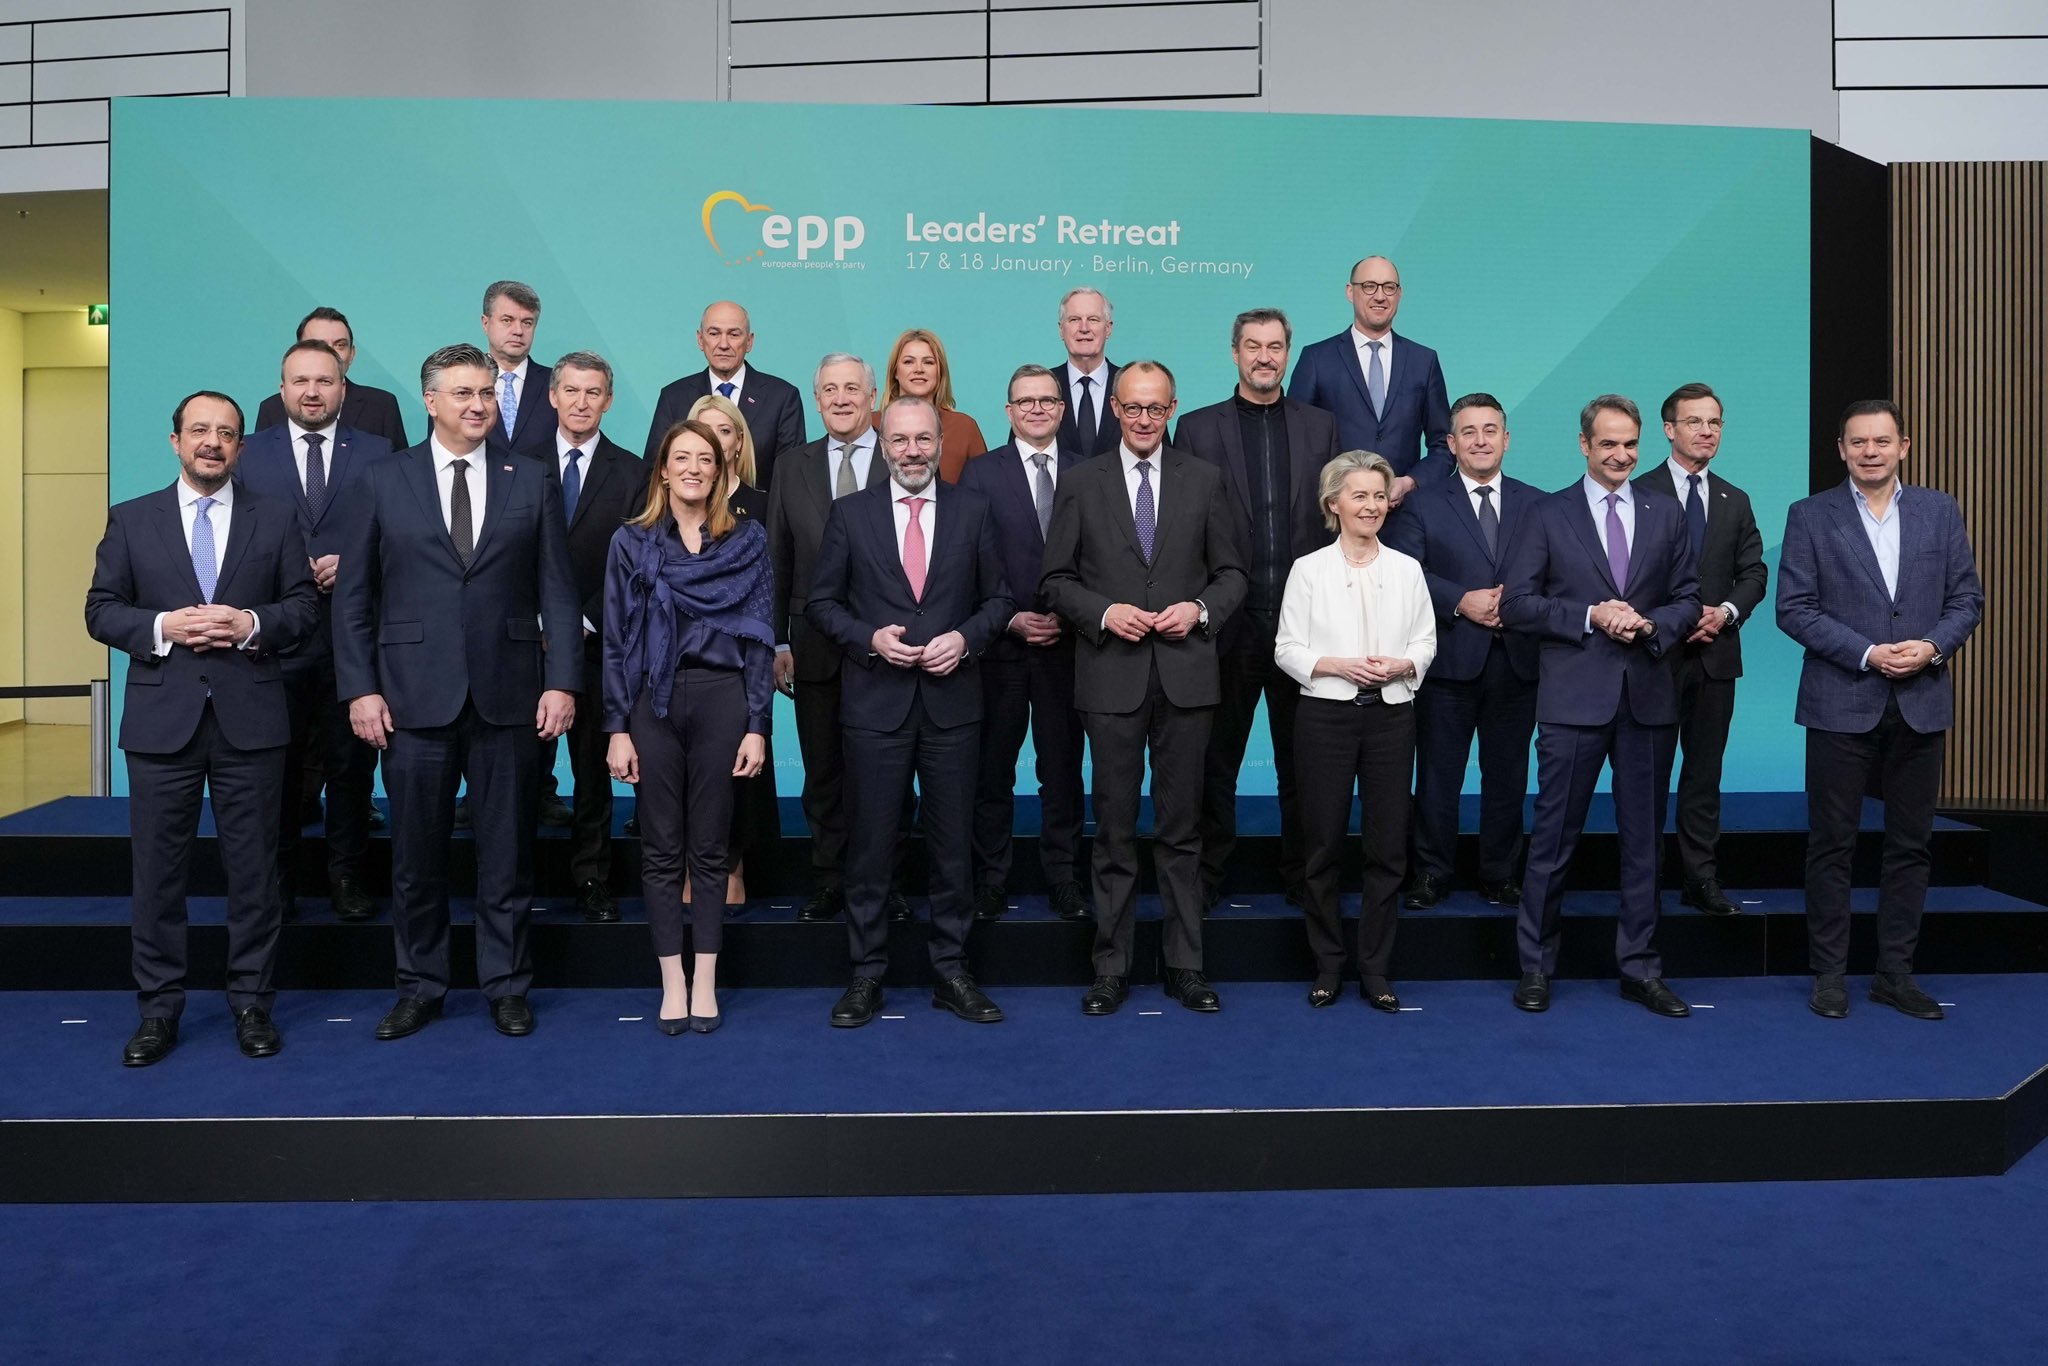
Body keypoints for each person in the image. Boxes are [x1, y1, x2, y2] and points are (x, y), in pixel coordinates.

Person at [333, 343, 581, 1041]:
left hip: (510, 695)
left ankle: (507, 986)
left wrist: (563, 680)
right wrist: (360, 689)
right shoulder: (383, 479)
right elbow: (353, 599)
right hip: (410, 700)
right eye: (464, 393)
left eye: (487, 393)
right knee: (416, 861)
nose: (478, 405)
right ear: (431, 401)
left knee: (508, 857)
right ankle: (420, 987)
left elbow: (558, 592)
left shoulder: (531, 478)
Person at [84, 391, 319, 1066]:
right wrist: (163, 626)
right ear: (176, 441)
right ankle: (159, 1010)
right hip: (162, 723)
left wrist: (251, 624)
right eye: (199, 431)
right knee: (158, 877)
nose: (212, 442)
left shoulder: (276, 518)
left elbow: (303, 607)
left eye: (226, 433)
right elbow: (101, 610)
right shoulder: (132, 518)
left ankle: (252, 1004)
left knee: (256, 875)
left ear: (241, 447)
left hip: (252, 720)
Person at [1041, 361, 1247, 1015]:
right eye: (1132, 407)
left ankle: (1186, 966)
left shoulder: (1205, 479)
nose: (1144, 419)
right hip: (1111, 679)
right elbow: (1055, 580)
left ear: (1173, 409)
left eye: (1156, 408)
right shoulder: (1081, 482)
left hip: (1187, 677)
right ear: (1114, 410)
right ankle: (1111, 968)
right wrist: (1104, 612)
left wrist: (1200, 609)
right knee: (1115, 833)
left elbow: (1233, 575)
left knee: (1183, 832)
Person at [806, 397, 1015, 1027]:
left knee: (952, 850)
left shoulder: (974, 509)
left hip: (954, 707)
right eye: (900, 440)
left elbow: (999, 599)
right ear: (884, 444)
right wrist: (869, 638)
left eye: (924, 439)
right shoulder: (851, 513)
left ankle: (952, 971)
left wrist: (966, 639)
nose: (913, 451)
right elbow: (822, 603)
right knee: (871, 849)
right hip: (876, 707)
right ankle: (866, 975)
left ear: (939, 441)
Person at [1777, 399, 1983, 1020]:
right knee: (1831, 845)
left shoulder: (1939, 510)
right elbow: (1794, 608)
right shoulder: (1810, 515)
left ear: (1904, 447)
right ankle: (1830, 976)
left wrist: (1931, 646)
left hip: (1921, 700)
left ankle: (1895, 975)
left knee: (1910, 846)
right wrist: (1867, 653)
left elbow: (1966, 599)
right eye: (1858, 442)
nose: (1871, 451)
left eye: (1882, 441)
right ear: (1841, 449)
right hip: (1840, 699)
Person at [1500, 395, 1700, 1017]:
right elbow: (1517, 604)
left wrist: (1650, 624)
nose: (1621, 455)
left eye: (1630, 444)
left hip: (1647, 699)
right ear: (1584, 445)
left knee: (1644, 845)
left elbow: (1688, 597)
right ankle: (1536, 967)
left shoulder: (1666, 513)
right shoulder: (1546, 513)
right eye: (1608, 443)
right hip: (1572, 702)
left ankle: (1641, 969)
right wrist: (1591, 615)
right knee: (1552, 841)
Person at [604, 419, 774, 1033]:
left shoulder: (747, 541)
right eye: (682, 458)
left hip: (722, 699)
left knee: (709, 848)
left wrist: (758, 724)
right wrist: (616, 727)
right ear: (663, 470)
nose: (694, 468)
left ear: (721, 470)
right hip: (651, 704)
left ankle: (705, 979)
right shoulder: (631, 543)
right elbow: (617, 642)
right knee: (660, 848)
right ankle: (671, 981)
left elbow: (760, 639)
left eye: (705, 458)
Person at [1173, 307, 1338, 908]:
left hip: (1303, 627)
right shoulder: (1196, 429)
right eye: (1253, 346)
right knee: (1214, 763)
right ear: (1235, 353)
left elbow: (1335, 523)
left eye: (1274, 346)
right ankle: (1208, 877)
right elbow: (1181, 530)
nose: (1264, 356)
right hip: (1225, 628)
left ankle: (1304, 878)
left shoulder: (1322, 427)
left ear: (1287, 354)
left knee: (1304, 765)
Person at [236, 340, 392, 922]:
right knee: (275, 769)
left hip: (351, 638)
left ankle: (346, 876)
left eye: (324, 381)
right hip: (273, 639)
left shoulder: (377, 451)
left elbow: (402, 533)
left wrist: (355, 560)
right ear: (281, 389)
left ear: (342, 388)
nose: (312, 392)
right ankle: (277, 881)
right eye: (300, 381)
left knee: (351, 767)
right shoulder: (249, 452)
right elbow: (234, 535)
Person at [1275, 452, 1436, 1009]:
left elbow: (1425, 641)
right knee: (1322, 845)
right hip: (1326, 717)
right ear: (1333, 504)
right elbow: (1287, 648)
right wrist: (1337, 666)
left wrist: (1404, 664)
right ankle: (1327, 964)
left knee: (1387, 847)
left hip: (1392, 715)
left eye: (1379, 496)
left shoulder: (1407, 568)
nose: (1371, 506)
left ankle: (1374, 967)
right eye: (1359, 496)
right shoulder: (1308, 569)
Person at [1381, 392, 1540, 910]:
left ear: (1507, 439)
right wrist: (1461, 600)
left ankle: (1500, 873)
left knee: (1508, 776)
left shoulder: (1539, 503)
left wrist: (1514, 604)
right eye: (1468, 432)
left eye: (1490, 430)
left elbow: (1552, 574)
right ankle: (1431, 872)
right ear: (1451, 444)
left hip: (1516, 660)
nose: (1480, 440)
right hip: (1448, 662)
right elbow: (1406, 572)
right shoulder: (1423, 502)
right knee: (1437, 774)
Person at [765, 354, 908, 923]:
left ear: (873, 397)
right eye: (830, 390)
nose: (842, 398)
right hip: (813, 646)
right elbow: (777, 560)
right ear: (817, 399)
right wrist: (778, 641)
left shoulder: (900, 456)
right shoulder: (790, 465)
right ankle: (829, 878)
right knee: (823, 770)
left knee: (886, 774)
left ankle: (886, 881)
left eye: (853, 388)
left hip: (888, 643)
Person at [955, 365, 1089, 923]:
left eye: (1046, 400)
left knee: (1062, 772)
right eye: (1025, 401)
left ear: (1061, 409)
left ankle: (1064, 878)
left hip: (1069, 648)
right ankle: (991, 879)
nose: (1036, 409)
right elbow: (965, 559)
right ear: (1008, 411)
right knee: (993, 772)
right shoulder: (980, 473)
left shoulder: (1088, 471)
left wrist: (1070, 615)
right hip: (1002, 650)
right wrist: (1009, 618)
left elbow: (1100, 556)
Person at [1633, 383, 1767, 918]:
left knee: (1704, 777)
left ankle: (1700, 879)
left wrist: (1725, 613)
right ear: (1669, 430)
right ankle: (1643, 882)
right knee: (1647, 777)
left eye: (1714, 422)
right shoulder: (1637, 492)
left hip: (1715, 658)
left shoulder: (1736, 499)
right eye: (1694, 422)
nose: (1706, 431)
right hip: (1653, 656)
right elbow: (1625, 573)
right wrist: (1673, 619)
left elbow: (1753, 573)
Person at [536, 351, 646, 924]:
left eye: (593, 392)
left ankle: (591, 878)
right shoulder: (514, 464)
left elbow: (638, 565)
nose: (581, 402)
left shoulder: (633, 472)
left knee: (592, 775)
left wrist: (577, 621)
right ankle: (513, 879)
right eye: (572, 391)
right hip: (524, 643)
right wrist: (539, 620)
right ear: (553, 396)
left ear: (608, 400)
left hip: (600, 643)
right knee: (515, 771)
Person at [683, 390, 777, 903]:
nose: (714, 442)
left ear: (739, 441)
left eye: (724, 431)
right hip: (683, 658)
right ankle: (692, 866)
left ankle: (733, 866)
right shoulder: (672, 507)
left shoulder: (762, 505)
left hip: (743, 657)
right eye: (704, 430)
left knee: (740, 764)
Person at [1287, 256, 1451, 504]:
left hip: (1405, 516)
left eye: (1389, 287)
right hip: (1336, 516)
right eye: (1369, 286)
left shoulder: (1423, 361)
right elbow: (1294, 441)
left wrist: (1410, 482)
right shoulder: (1317, 359)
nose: (1380, 296)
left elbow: (1444, 446)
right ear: (1350, 292)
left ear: (1399, 294)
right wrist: (1335, 492)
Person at [642, 300, 808, 491]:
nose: (723, 344)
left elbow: (791, 478)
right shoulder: (674, 396)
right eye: (714, 334)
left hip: (759, 509)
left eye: (734, 334)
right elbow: (654, 470)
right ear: (700, 339)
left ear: (749, 341)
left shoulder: (782, 397)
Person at [254, 306, 410, 448]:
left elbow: (397, 466)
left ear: (352, 353)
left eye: (340, 345)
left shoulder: (381, 405)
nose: (330, 353)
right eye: (317, 345)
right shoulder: (271, 409)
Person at [877, 327, 988, 483]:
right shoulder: (872, 425)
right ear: (895, 371)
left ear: (940, 371)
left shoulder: (964, 427)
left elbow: (985, 487)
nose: (919, 369)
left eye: (928, 362)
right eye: (909, 362)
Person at [481, 280, 554, 458]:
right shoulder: (457, 383)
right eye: (507, 320)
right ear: (486, 323)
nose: (518, 331)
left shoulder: (557, 384)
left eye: (527, 323)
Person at [1051, 287, 1122, 457]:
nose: (1084, 328)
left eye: (1093, 319)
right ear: (1061, 330)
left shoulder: (1133, 385)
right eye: (1074, 319)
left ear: (1108, 329)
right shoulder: (1041, 386)